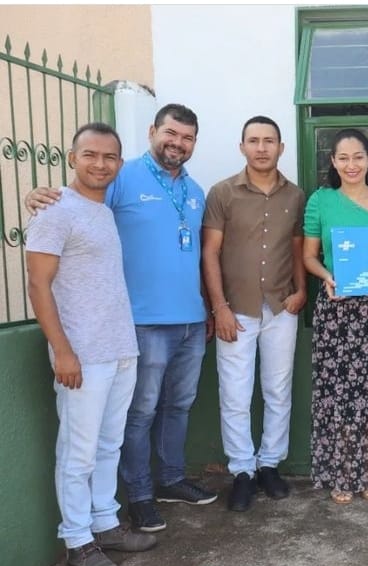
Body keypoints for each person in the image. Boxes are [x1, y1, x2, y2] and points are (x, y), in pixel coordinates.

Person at [27, 104, 217, 533]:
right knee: (140, 412)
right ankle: (140, 495)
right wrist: (37, 195)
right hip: (138, 322)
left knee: (179, 405)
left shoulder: (195, 190)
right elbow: (75, 204)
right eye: (170, 133)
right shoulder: (122, 176)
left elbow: (195, 253)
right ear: (152, 131)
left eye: (187, 137)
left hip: (189, 318)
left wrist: (206, 305)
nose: (177, 143)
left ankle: (170, 480)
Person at [25, 123, 157, 566]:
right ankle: (78, 540)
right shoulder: (55, 210)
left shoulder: (101, 210)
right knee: (77, 451)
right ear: (72, 157)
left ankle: (105, 523)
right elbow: (38, 285)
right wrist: (61, 351)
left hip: (120, 348)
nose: (100, 164)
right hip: (81, 353)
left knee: (108, 445)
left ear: (119, 164)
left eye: (109, 157)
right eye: (91, 155)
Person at [202, 116, 307, 512]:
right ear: (242, 146)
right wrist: (220, 307)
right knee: (235, 394)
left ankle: (269, 465)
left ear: (281, 148)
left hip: (282, 306)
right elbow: (209, 252)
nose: (261, 148)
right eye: (253, 141)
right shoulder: (222, 193)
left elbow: (297, 248)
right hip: (236, 310)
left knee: (279, 390)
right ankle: (242, 471)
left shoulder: (295, 196)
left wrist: (300, 291)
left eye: (269, 141)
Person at [302, 129, 368, 504]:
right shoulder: (321, 201)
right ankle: (343, 473)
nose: (351, 165)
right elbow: (309, 257)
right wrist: (326, 277)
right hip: (336, 309)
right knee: (339, 395)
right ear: (333, 161)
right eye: (343, 158)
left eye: (358, 157)